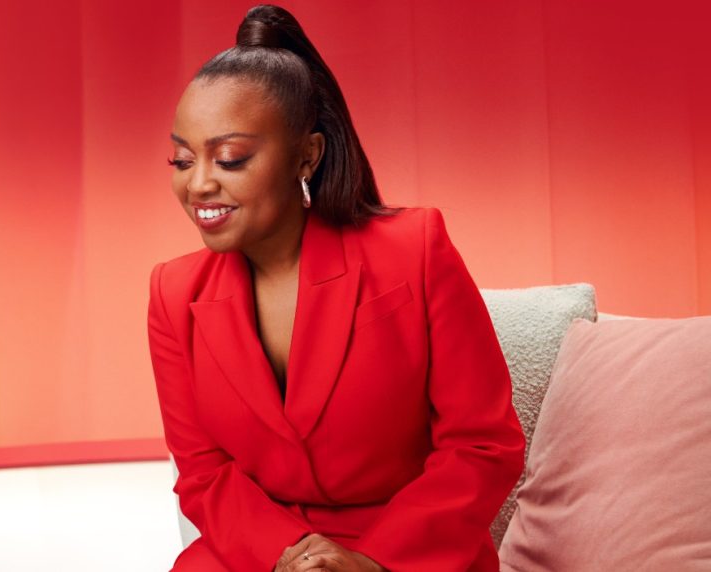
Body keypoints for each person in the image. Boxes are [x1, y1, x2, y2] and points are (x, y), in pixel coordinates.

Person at [147, 5, 526, 571]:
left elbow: (482, 444)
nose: (198, 183)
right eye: (182, 160)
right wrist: (290, 556)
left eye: (229, 158)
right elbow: (204, 471)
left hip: (410, 548)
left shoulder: (416, 249)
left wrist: (371, 560)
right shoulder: (173, 293)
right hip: (260, 551)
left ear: (308, 156)